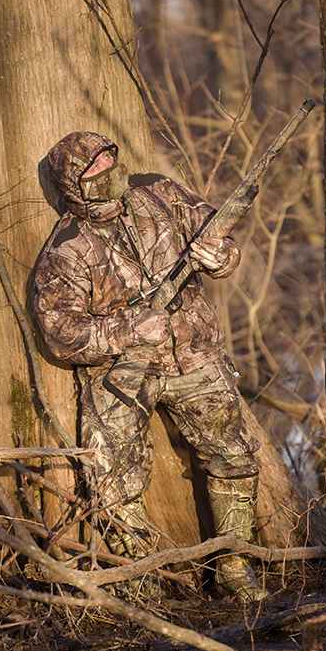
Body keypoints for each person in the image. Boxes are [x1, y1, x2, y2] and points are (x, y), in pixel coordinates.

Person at [33, 131, 268, 602]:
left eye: (109, 159)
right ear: (73, 186)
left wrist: (221, 257)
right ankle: (139, 584)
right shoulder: (64, 250)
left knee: (236, 456)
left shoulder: (160, 192)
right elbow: (60, 335)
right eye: (93, 169)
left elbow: (219, 234)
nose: (107, 169)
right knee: (111, 477)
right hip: (117, 371)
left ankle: (235, 567)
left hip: (195, 355)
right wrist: (129, 330)